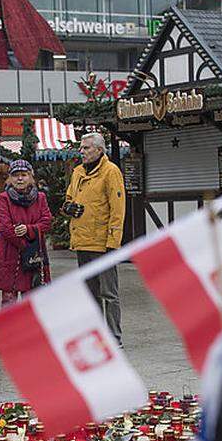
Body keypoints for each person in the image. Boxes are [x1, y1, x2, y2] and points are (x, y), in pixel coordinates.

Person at [65, 131, 125, 344]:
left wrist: (113, 243)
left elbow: (118, 210)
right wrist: (69, 207)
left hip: (102, 244)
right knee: (90, 293)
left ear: (99, 150)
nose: (81, 151)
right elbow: (69, 197)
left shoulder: (111, 172)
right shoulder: (78, 172)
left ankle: (114, 336)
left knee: (109, 293)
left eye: (86, 148)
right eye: (81, 147)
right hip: (82, 241)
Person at [0, 160, 53, 306]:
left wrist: (28, 229)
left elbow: (46, 222)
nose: (20, 178)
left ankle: (31, 328)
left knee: (32, 299)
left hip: (34, 256)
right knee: (9, 301)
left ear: (30, 176)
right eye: (15, 175)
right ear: (10, 178)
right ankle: (9, 329)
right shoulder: (4, 198)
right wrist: (24, 245)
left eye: (23, 174)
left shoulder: (40, 198)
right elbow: (4, 226)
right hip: (10, 254)